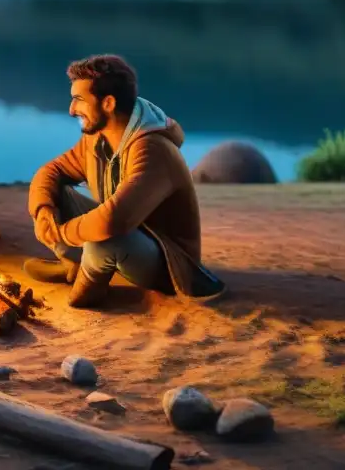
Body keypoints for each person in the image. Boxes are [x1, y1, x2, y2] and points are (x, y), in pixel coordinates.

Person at [25, 54, 226, 308]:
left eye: (79, 100)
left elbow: (115, 219)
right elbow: (50, 172)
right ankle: (74, 266)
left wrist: (62, 234)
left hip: (166, 261)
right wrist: (44, 211)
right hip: (127, 236)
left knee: (106, 239)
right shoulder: (97, 137)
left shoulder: (152, 150)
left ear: (108, 103)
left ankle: (87, 291)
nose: (71, 110)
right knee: (55, 193)